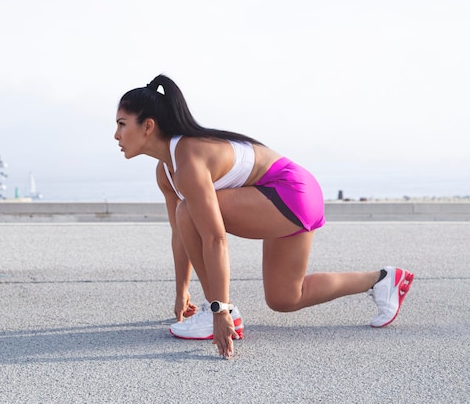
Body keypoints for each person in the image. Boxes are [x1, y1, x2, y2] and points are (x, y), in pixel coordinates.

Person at [114, 74, 414, 360]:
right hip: (281, 195)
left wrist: (219, 309)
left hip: (291, 192)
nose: (116, 135)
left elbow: (215, 238)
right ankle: (383, 281)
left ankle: (220, 312)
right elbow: (180, 235)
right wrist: (182, 293)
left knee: (188, 210)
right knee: (285, 298)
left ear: (148, 126)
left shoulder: (188, 159)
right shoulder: (165, 172)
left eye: (122, 124)